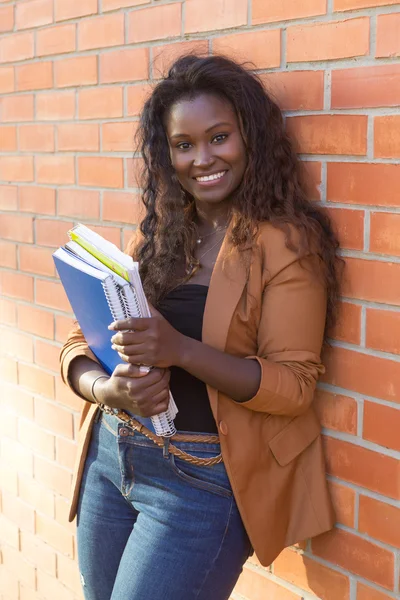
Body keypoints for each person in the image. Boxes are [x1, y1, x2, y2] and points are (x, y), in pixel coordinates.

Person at [60, 54, 340, 600]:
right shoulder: (160, 237)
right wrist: (107, 388)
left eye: (219, 137)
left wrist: (179, 350)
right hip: (112, 456)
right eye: (184, 145)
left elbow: (294, 387)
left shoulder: (286, 246)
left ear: (250, 138)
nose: (202, 158)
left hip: (199, 480)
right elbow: (79, 342)